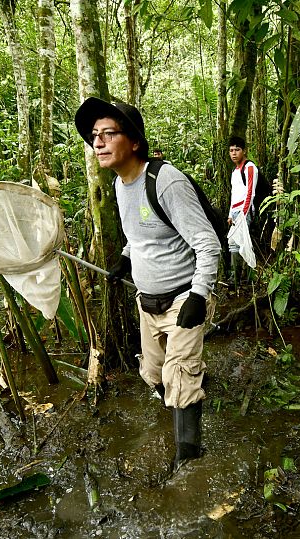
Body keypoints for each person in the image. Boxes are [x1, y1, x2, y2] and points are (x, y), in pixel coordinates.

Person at [74, 97, 221, 470]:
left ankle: (189, 464)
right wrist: (125, 260)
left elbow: (207, 243)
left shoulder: (166, 181)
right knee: (154, 375)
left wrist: (199, 296)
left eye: (109, 133)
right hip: (147, 302)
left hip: (183, 299)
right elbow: (143, 236)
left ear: (134, 141)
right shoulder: (121, 184)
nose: (99, 143)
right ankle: (187, 393)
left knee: (180, 381)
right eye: (94, 135)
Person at [227, 135, 258, 289]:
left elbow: (250, 193)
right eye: (231, 150)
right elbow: (234, 194)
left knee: (243, 245)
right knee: (233, 244)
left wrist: (243, 214)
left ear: (244, 151)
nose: (234, 153)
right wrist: (230, 214)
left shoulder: (250, 167)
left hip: (244, 211)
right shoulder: (235, 171)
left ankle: (244, 279)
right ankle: (235, 278)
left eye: (237, 150)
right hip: (235, 212)